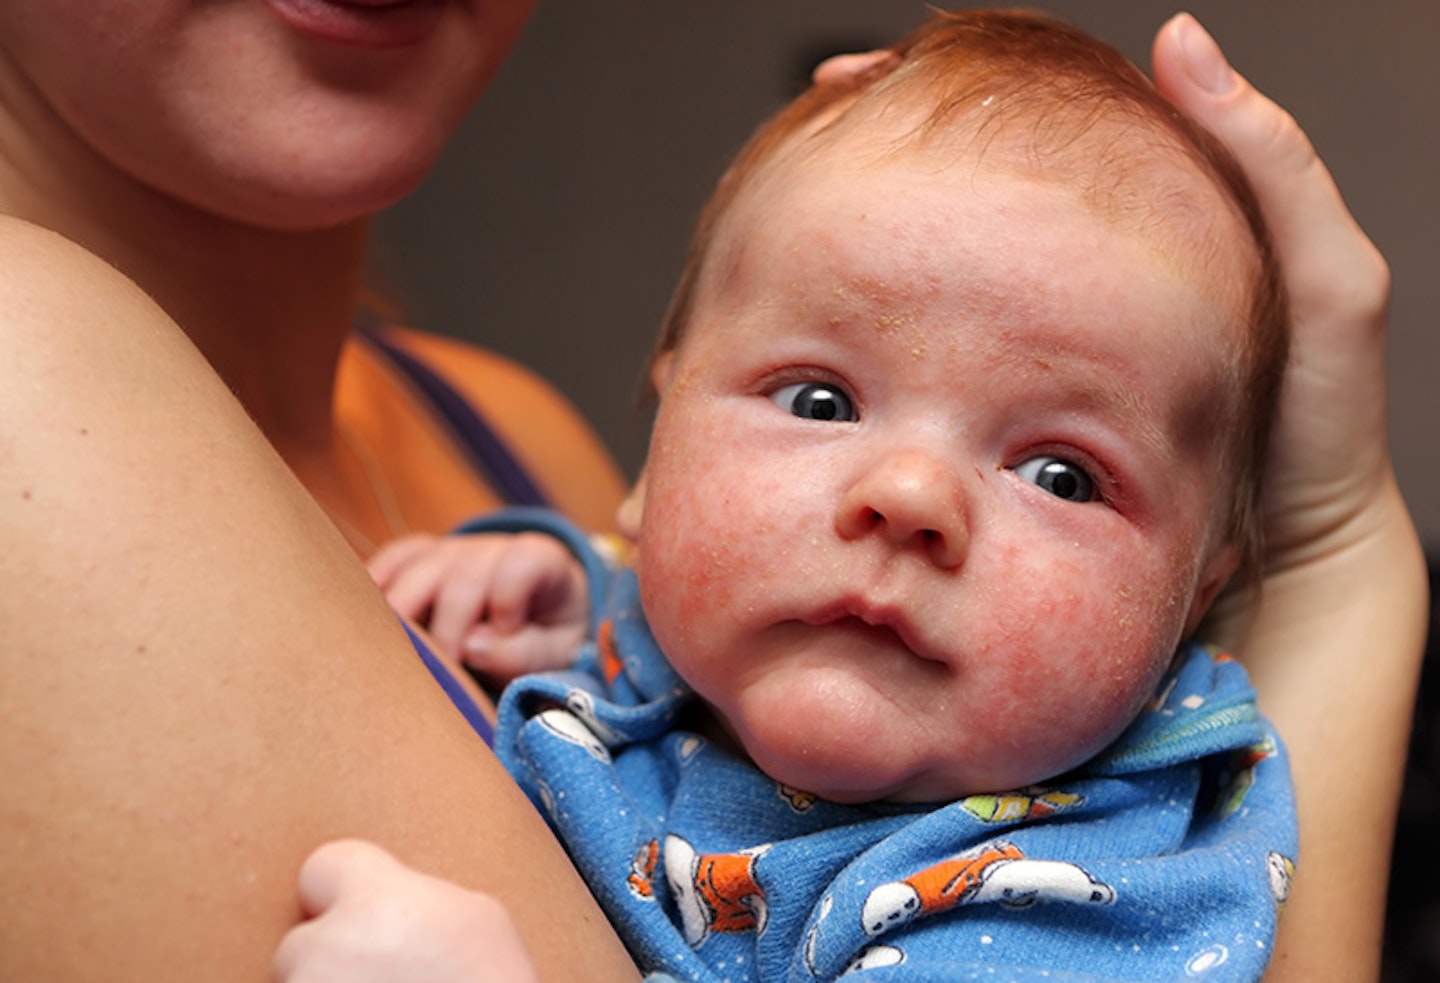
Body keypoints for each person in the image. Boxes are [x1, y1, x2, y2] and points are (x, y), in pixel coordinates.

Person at [0, 6, 1424, 983]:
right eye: (818, 400)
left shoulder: (519, 437)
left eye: (1061, 472)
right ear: (669, 379)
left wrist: (1338, 548)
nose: (909, 493)